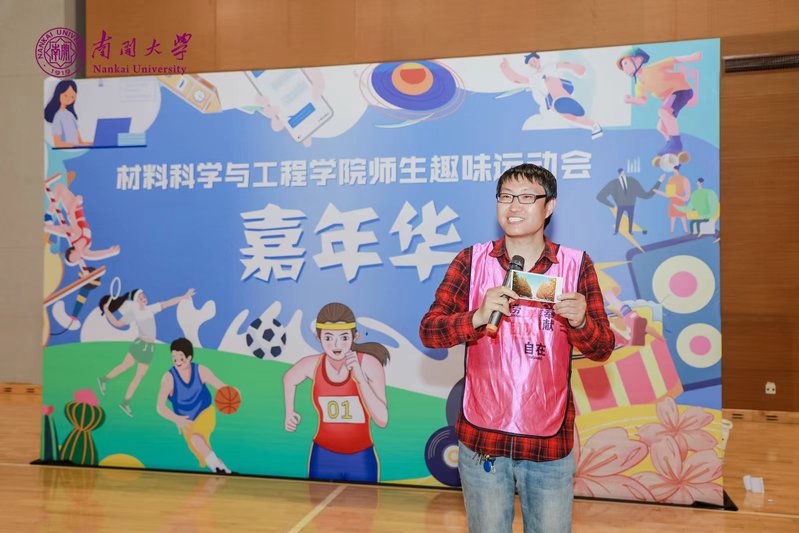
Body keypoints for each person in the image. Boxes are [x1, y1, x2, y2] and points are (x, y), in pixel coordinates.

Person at [419, 163, 614, 532]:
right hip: (483, 438)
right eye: (506, 197)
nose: (513, 206)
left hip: (548, 442)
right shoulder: (472, 261)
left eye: (526, 197)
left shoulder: (575, 265)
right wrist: (476, 317)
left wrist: (581, 322)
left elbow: (603, 347)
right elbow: (430, 331)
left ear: (549, 206)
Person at [283, 302, 389, 482]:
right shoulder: (313, 364)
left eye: (344, 337)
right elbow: (289, 379)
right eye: (329, 337)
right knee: (319, 499)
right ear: (318, 337)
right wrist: (289, 412)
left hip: (361, 457)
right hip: (323, 455)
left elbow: (382, 420)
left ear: (355, 336)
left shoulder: (369, 364)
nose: (336, 344)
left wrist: (361, 380)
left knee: (365, 501)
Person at [97, 287, 195, 417]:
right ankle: (104, 380)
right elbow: (117, 323)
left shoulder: (151, 309)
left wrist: (184, 296)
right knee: (125, 366)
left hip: (149, 348)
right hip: (140, 345)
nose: (143, 298)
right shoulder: (134, 312)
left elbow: (168, 302)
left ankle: (125, 402)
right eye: (140, 297)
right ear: (135, 301)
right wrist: (106, 310)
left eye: (143, 295)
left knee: (139, 376)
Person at [156, 337, 232, 474]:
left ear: (189, 357)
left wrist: (232, 393)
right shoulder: (169, 378)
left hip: (205, 412)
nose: (178, 362)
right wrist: (176, 418)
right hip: (186, 421)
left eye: (181, 358)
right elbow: (160, 407)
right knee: (203, 452)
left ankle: (221, 469)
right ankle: (223, 470)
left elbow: (221, 386)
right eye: (174, 358)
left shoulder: (201, 371)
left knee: (196, 438)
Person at [617, 47, 701, 161]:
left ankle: (676, 144)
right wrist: (631, 100)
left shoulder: (653, 68)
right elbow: (642, 100)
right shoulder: (639, 85)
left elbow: (674, 60)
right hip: (670, 97)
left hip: (681, 89)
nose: (624, 69)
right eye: (622, 68)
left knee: (663, 111)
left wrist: (692, 57)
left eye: (625, 63)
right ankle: (673, 148)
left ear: (638, 59)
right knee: (661, 127)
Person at [500, 52, 603, 139]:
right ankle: (594, 125)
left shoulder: (549, 67)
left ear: (538, 59)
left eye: (534, 61)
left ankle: (565, 101)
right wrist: (506, 70)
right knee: (570, 117)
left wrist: (576, 67)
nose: (533, 64)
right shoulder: (534, 78)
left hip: (561, 89)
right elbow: (518, 79)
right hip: (553, 101)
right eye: (531, 63)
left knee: (550, 81)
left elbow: (564, 65)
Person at [44, 181, 120, 266]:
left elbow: (71, 214)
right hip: (77, 213)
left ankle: (49, 213)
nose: (77, 259)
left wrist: (76, 202)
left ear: (72, 251)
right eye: (75, 260)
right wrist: (111, 252)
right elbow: (96, 255)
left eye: (73, 258)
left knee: (59, 187)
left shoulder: (76, 234)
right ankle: (46, 225)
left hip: (74, 210)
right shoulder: (84, 252)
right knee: (65, 230)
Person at [595, 168, 663, 234]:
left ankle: (630, 231)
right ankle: (616, 231)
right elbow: (600, 197)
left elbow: (646, 195)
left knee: (630, 219)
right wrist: (612, 206)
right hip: (621, 206)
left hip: (631, 205)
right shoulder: (613, 183)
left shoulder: (632, 181)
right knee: (618, 219)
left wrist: (659, 182)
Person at [44, 80, 92, 148]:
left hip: (76, 149)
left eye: (72, 97)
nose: (69, 99)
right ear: (58, 94)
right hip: (65, 151)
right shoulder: (57, 117)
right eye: (65, 95)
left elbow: (80, 142)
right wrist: (77, 145)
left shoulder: (71, 115)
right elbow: (58, 144)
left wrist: (92, 143)